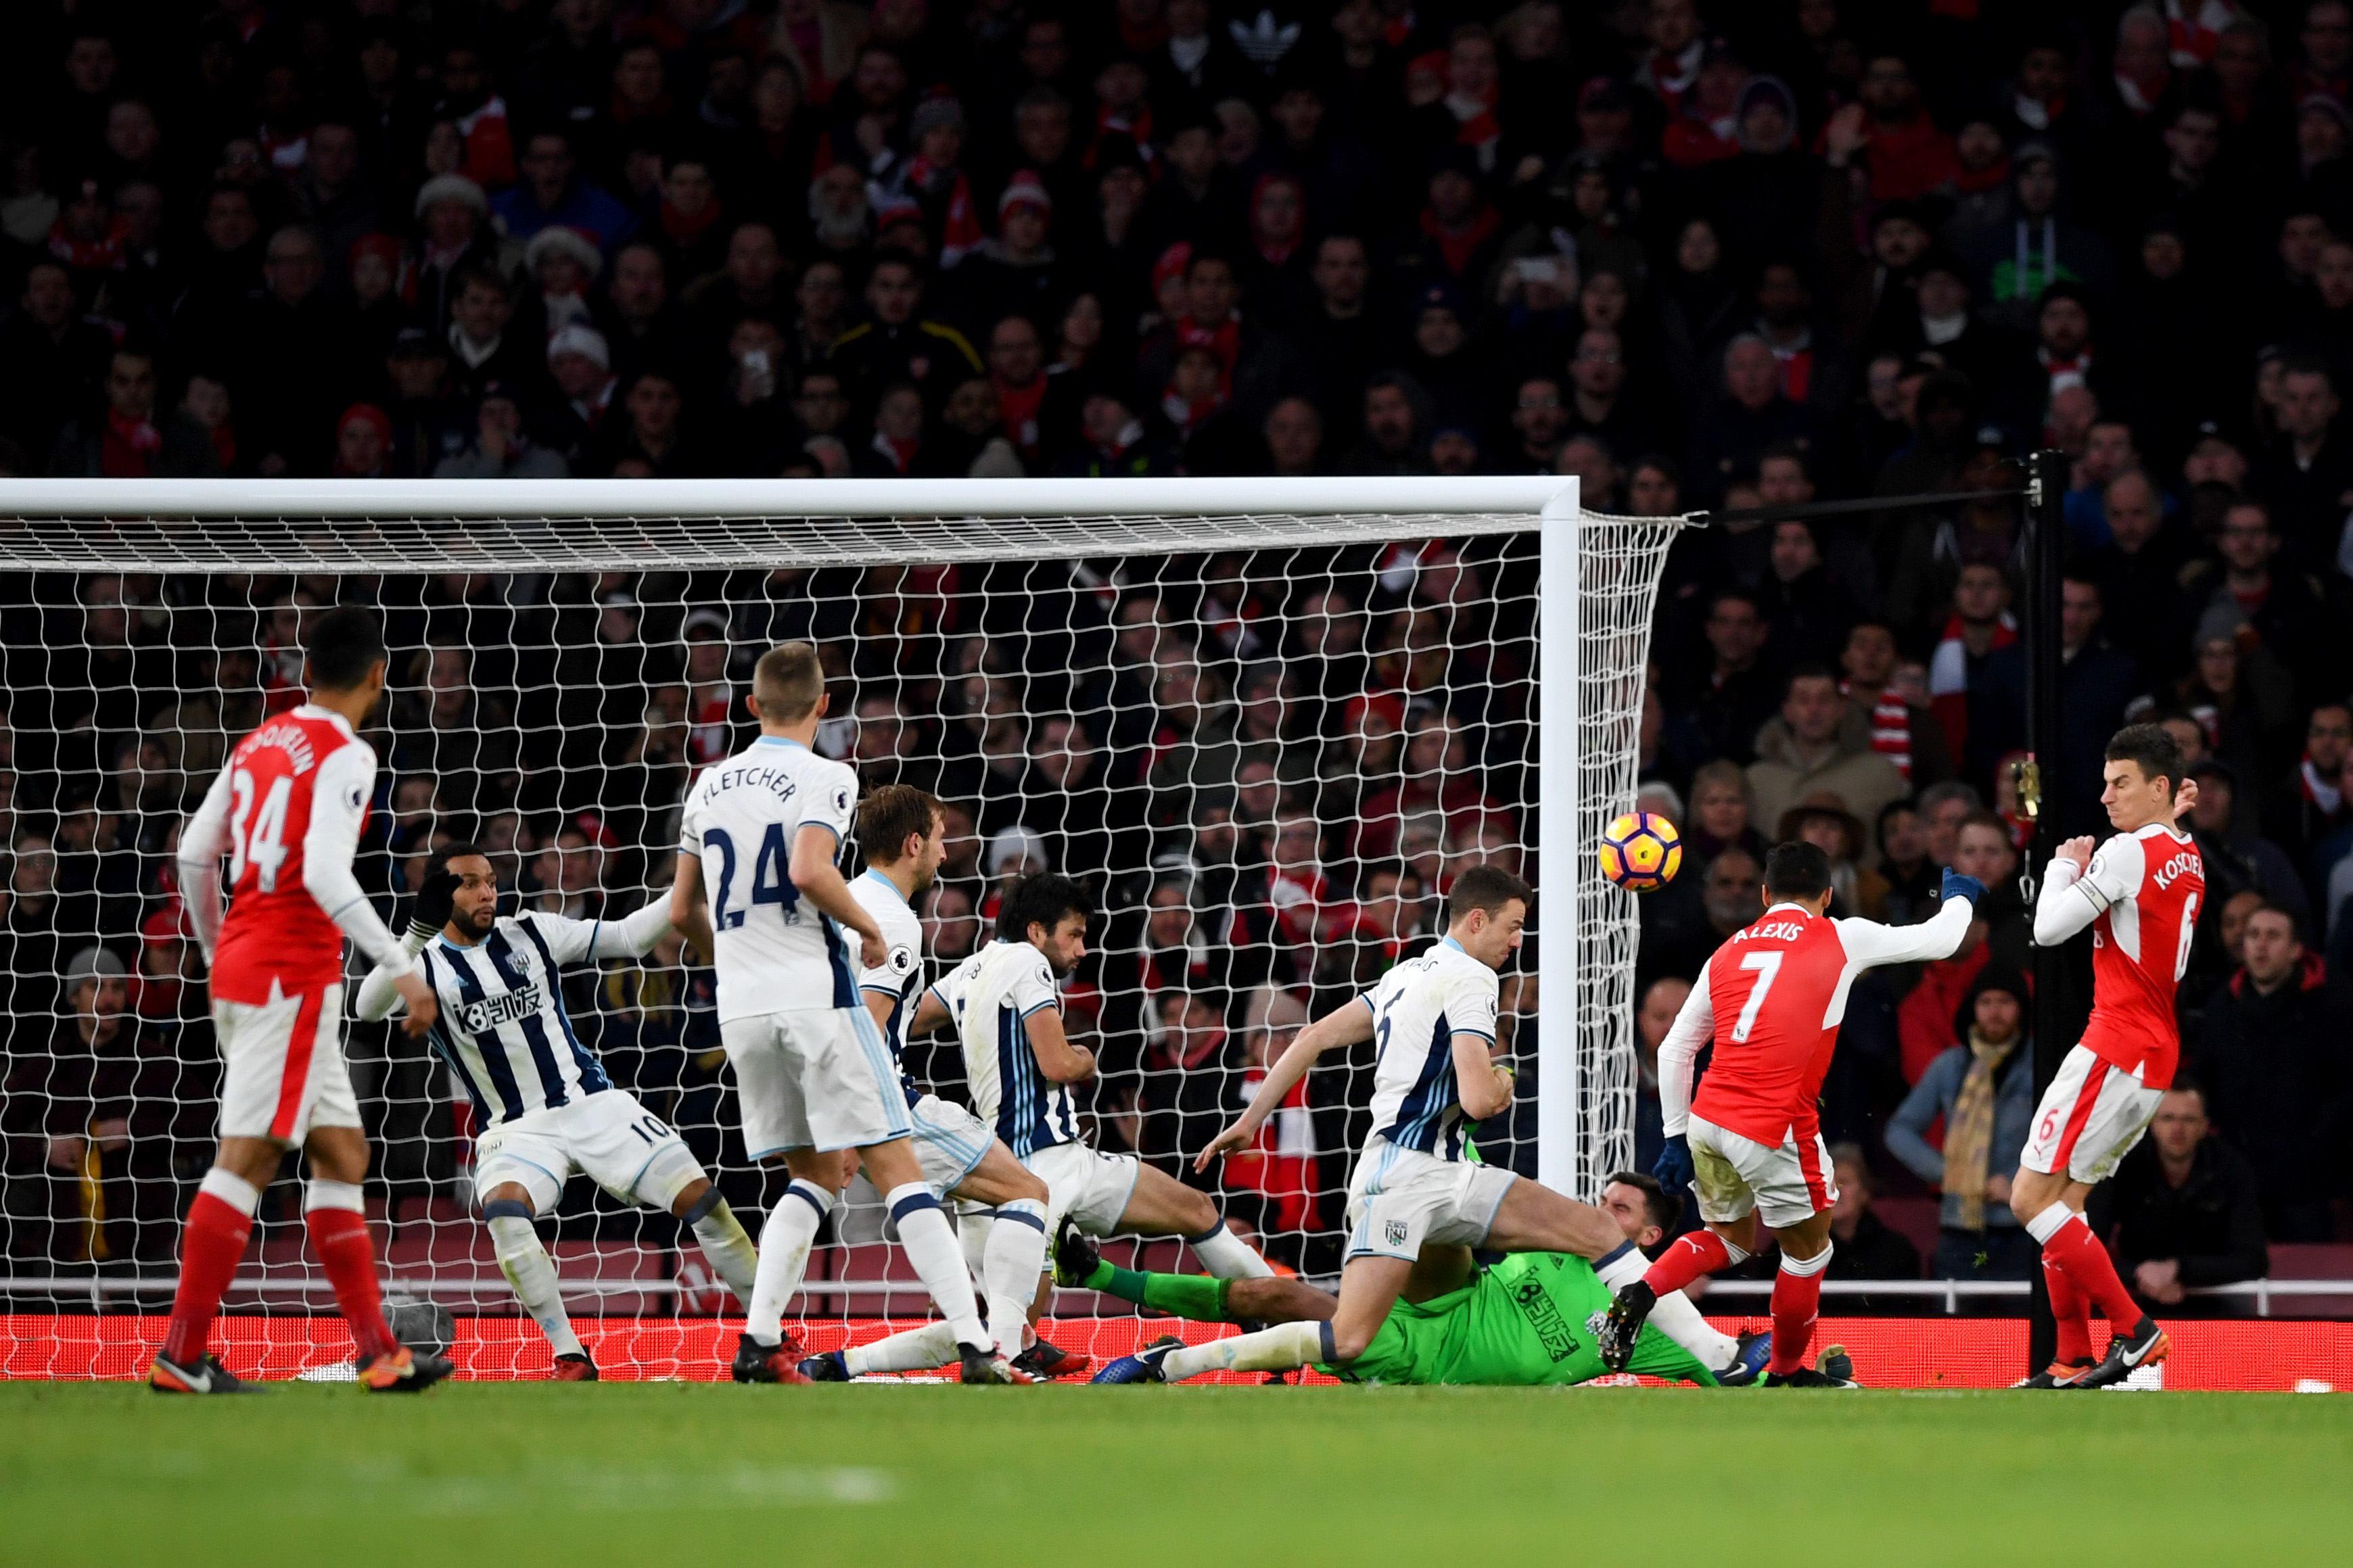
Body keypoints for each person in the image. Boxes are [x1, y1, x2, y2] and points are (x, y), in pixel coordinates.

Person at [1131, 865, 1746, 1385]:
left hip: (1415, 1176)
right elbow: (1479, 1099)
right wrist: (1504, 1079)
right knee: (1348, 1338)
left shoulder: (1404, 976)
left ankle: (1717, 1354)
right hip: (1415, 1181)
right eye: (1512, 927)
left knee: (1592, 1230)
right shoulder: (1474, 978)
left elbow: (1313, 1035)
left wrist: (1248, 1119)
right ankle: (1178, 1362)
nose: (1516, 941)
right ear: (1475, 921)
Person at [671, 641, 1016, 1386]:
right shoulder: (825, 775)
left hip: (741, 1009)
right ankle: (975, 1344)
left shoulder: (706, 786)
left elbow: (681, 911)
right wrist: (862, 927)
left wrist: (732, 961)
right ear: (823, 707)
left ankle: (759, 1344)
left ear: (752, 705)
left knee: (817, 1172)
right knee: (896, 1167)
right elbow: (806, 869)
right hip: (813, 994)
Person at [158, 607, 448, 1394]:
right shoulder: (346, 752)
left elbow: (194, 852)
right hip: (289, 973)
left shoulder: (259, 741)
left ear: (306, 672)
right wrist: (403, 966)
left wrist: (220, 945)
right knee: (248, 1158)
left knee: (342, 1154)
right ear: (378, 677)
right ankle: (181, 1356)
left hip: (257, 967)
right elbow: (325, 873)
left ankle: (378, 1352)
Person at [829, 872, 1276, 1379]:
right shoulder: (1027, 962)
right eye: (1075, 934)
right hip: (1052, 1164)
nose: (1082, 949)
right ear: (1038, 930)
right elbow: (1057, 1064)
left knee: (998, 1332)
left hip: (992, 1171)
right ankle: (1281, 1329)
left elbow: (904, 1018)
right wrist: (1085, 1057)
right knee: (1194, 1211)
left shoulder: (968, 971)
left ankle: (844, 1361)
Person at [354, 844, 760, 1380]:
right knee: (504, 1213)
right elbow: (366, 1007)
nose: (487, 892)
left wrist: (689, 879)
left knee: (703, 1202)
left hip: (590, 1102)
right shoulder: (420, 962)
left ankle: (770, 1335)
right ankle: (570, 1355)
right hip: (514, 1129)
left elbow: (631, 935)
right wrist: (414, 933)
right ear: (439, 894)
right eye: (471, 883)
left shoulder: (531, 931)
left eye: (492, 881)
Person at [1597, 840, 1980, 1385]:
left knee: (1728, 1239)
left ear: (1763, 895)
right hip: (1772, 1124)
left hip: (1709, 1117)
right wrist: (1960, 896)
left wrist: (1677, 1137)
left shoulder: (1728, 950)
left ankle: (1641, 1289)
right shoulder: (1839, 933)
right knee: (1807, 1254)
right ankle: (1783, 1373)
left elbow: (1674, 1049)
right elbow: (1942, 938)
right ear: (1827, 894)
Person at [804, 786, 1087, 1381]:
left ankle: (836, 1361)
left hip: (832, 1098)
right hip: (886, 1105)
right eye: (937, 836)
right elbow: (868, 1032)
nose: (945, 850)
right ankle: (1007, 1353)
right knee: (1028, 1192)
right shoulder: (895, 924)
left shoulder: (847, 903)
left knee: (966, 1282)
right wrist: (853, 1132)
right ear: (912, 844)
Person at [1076, 1171, 1772, 1388]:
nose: (1598, 1212)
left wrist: (1796, 1369)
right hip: (1427, 1315)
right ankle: (1108, 1281)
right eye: (1601, 1198)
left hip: (1438, 1361)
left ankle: (1168, 1361)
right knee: (1276, 1295)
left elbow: (1730, 1374)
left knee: (1287, 1305)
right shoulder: (1559, 1240)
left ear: (1649, 1238)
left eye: (1618, 1209)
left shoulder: (1657, 1315)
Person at [2011, 723, 2206, 1388]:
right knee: (2066, 1205)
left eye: (2118, 782)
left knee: (2026, 1199)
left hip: (2113, 1044)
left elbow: (2045, 929)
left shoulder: (2124, 853)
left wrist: (2065, 864)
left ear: (2156, 786)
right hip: (2152, 1054)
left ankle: (2135, 1331)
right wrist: (2166, 815)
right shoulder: (2187, 853)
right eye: (2102, 782)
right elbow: (2162, 847)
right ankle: (2070, 1358)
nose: (2103, 796)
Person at [1886, 963, 2036, 1282]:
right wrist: (1950, 1173)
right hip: (1959, 1227)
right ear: (1972, 1009)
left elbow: (2064, 1137)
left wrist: (2018, 1183)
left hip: (2022, 1226)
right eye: (1986, 1002)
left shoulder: (2041, 1066)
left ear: (2022, 1009)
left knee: (2023, 1330)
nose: (1995, 1012)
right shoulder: (1951, 1066)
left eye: (2005, 1002)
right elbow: (1899, 1131)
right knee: (1956, 1329)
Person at [2091, 1083, 2268, 1318]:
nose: (2177, 1129)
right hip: (2136, 1295)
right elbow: (2087, 1252)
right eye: (2167, 1118)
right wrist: (2139, 1274)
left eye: (2188, 1120)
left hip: (2215, 1296)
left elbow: (2253, 1260)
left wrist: (2178, 1269)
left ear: (2205, 1126)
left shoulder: (2232, 1169)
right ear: (2152, 1124)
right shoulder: (2123, 1167)